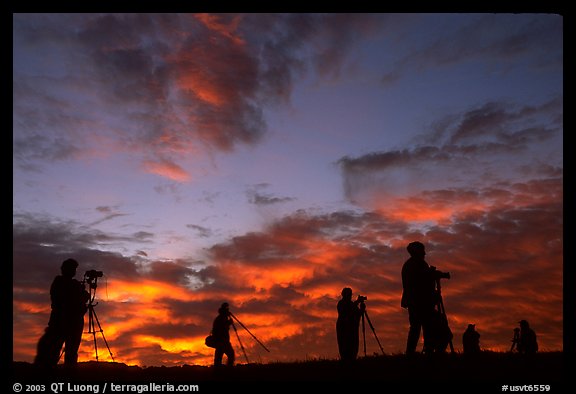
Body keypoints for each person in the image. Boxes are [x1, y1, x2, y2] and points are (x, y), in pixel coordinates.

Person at [34, 258, 90, 368]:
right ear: (66, 269)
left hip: (68, 323)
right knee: (56, 352)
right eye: (72, 269)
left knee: (69, 352)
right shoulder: (61, 282)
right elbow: (79, 298)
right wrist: (81, 293)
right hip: (63, 323)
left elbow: (82, 297)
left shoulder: (69, 284)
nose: (74, 271)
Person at [401, 241, 438, 355]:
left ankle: (411, 352)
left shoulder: (409, 264)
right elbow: (422, 282)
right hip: (421, 301)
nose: (424, 253)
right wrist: (431, 275)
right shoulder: (418, 264)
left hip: (414, 301)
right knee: (426, 327)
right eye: (422, 250)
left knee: (416, 328)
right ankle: (428, 350)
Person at [336, 287, 365, 362]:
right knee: (344, 347)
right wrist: (357, 302)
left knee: (354, 346)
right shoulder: (341, 304)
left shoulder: (352, 304)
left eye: (350, 295)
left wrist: (362, 309)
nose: (350, 296)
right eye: (348, 295)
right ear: (344, 295)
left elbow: (357, 314)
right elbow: (346, 311)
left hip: (352, 330)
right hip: (343, 329)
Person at [212, 302, 235, 367]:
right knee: (230, 355)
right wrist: (229, 323)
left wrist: (228, 323)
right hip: (222, 341)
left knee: (218, 358)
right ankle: (226, 370)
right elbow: (221, 328)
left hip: (221, 341)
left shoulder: (221, 318)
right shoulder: (220, 318)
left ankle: (218, 371)